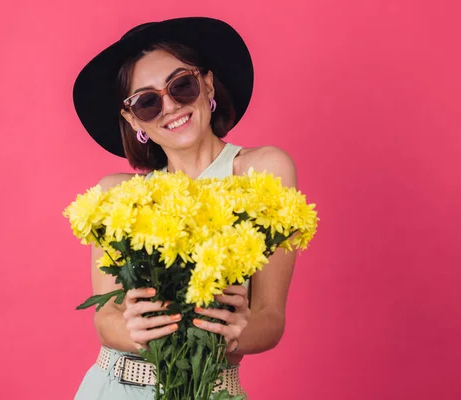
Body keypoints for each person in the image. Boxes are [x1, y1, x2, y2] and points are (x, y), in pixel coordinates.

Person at [71, 17, 298, 400]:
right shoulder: (118, 195)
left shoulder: (262, 171)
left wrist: (234, 330)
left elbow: (270, 320)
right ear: (132, 119)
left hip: (208, 388)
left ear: (207, 83)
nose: (171, 106)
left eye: (182, 85)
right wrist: (139, 334)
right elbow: (106, 318)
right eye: (146, 102)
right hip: (116, 387)